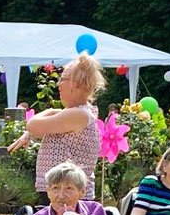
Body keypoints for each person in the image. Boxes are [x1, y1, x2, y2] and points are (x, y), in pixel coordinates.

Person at [7, 52, 104, 203]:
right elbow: (41, 124)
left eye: (63, 79)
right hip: (61, 192)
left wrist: (35, 126)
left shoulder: (78, 115)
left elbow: (32, 125)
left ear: (77, 84)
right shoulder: (79, 112)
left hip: (67, 196)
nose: (59, 84)